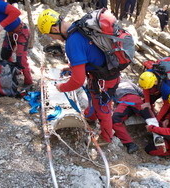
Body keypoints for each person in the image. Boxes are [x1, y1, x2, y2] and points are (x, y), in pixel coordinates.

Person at [37, 9, 121, 145]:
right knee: (95, 96)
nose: (53, 38)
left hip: (104, 78)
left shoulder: (72, 41)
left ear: (54, 27)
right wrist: (73, 68)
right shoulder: (79, 27)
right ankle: (91, 116)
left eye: (50, 34)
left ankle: (107, 137)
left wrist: (60, 88)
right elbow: (90, 53)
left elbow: (77, 81)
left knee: (103, 106)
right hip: (106, 71)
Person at [0, 0, 33, 88]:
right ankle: (12, 73)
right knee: (5, 55)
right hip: (9, 33)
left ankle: (29, 82)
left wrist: (1, 25)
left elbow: (16, 12)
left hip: (22, 31)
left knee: (21, 59)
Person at [112, 79, 159, 154]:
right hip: (123, 102)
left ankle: (158, 137)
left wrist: (148, 103)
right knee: (115, 119)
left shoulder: (128, 82)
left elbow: (142, 93)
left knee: (148, 114)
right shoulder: (111, 84)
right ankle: (130, 144)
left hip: (134, 99)